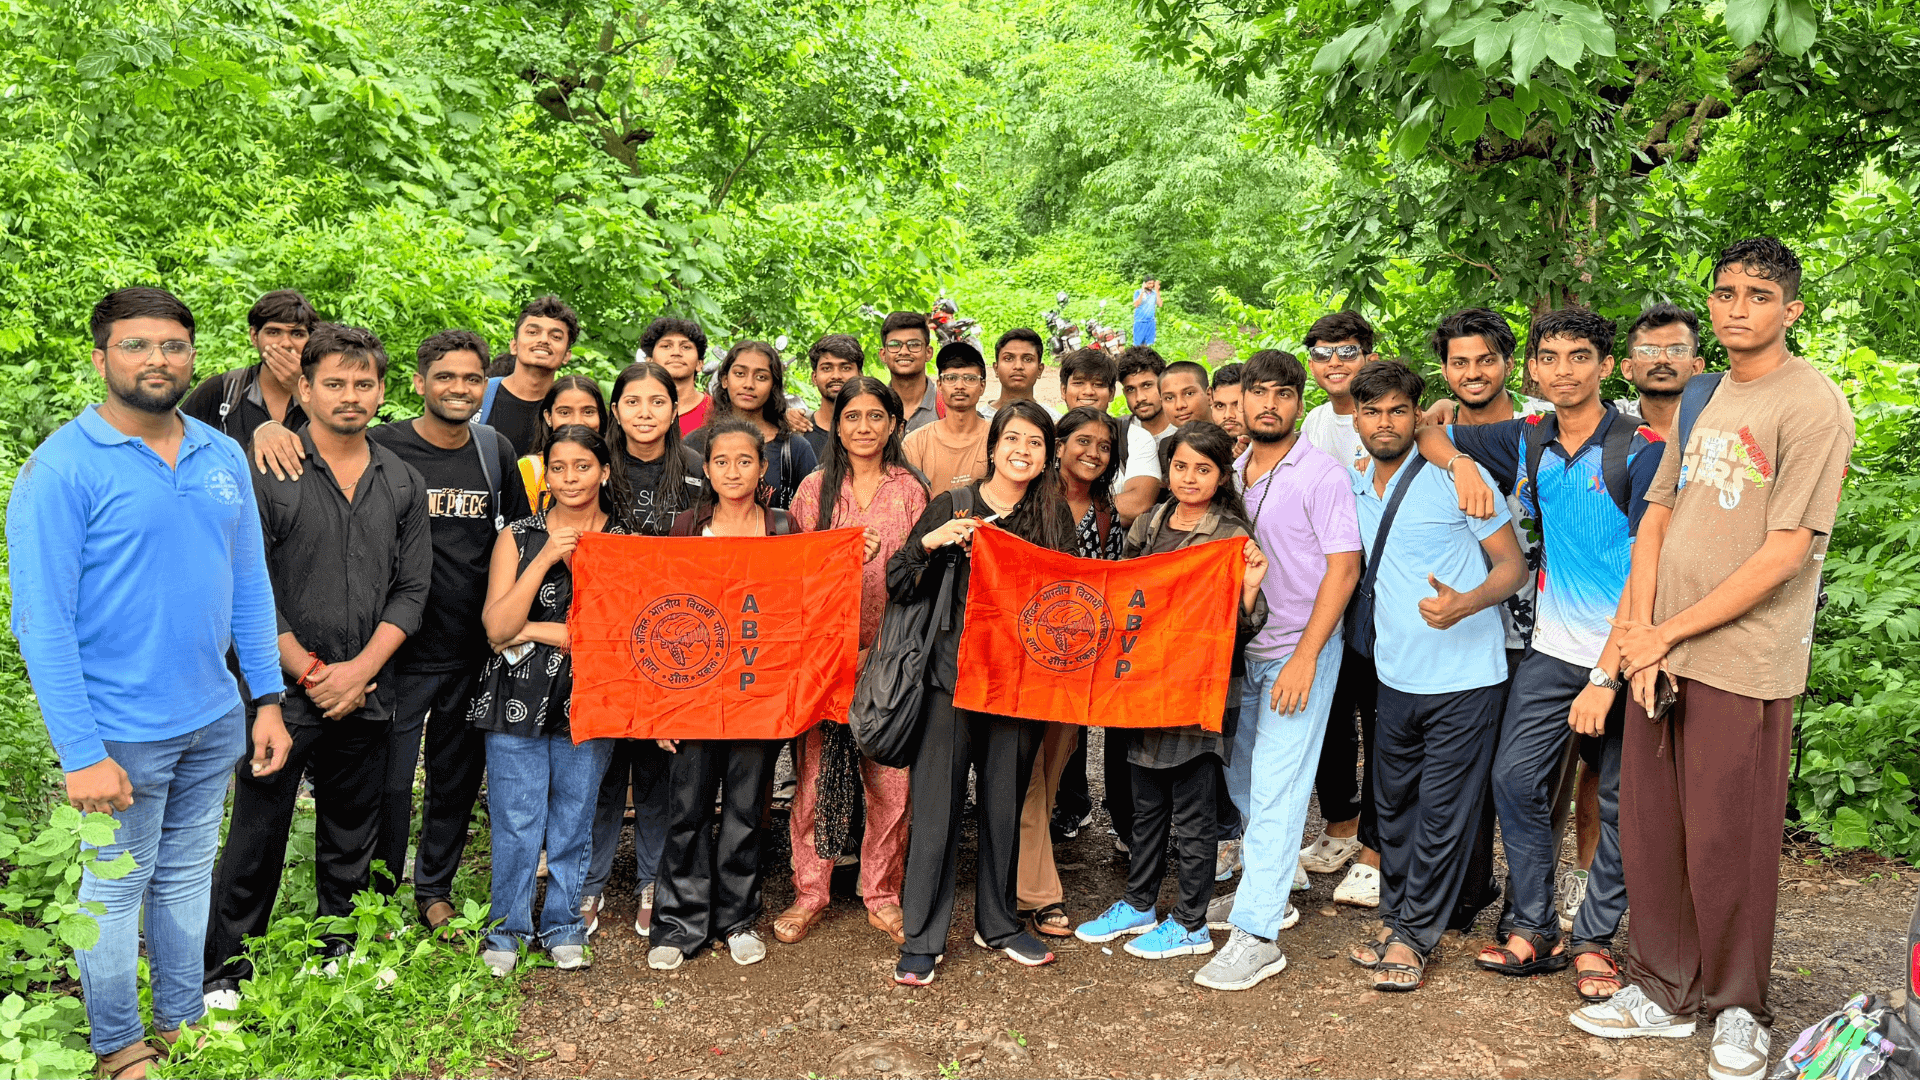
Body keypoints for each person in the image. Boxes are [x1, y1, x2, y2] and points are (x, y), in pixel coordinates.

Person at [1571, 238, 1855, 1080]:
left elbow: (1786, 552)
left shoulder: (1811, 406)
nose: (1738, 307)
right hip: (1667, 652)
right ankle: (1664, 990)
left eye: (1758, 295)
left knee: (1730, 838)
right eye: (1725, 292)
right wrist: (1642, 636)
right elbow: (1655, 519)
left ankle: (1738, 1005)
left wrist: (1669, 632)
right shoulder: (1703, 394)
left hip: (1744, 659)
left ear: (1791, 310)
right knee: (1658, 831)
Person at [8, 287, 289, 1079]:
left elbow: (249, 586)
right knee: (111, 894)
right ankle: (117, 1046)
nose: (157, 360)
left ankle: (180, 1020)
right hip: (119, 736)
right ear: (101, 359)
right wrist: (80, 752)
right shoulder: (61, 469)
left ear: (192, 356)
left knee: (184, 880)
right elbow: (43, 623)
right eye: (136, 346)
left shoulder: (219, 452)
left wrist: (264, 698)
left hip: (213, 718)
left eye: (171, 345)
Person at [1411, 308, 1662, 1002]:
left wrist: (1606, 676)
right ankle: (1535, 924)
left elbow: (1651, 572)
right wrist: (1462, 459)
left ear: (1607, 366)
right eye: (1549, 359)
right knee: (1515, 781)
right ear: (1534, 372)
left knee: (1615, 801)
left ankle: (1596, 939)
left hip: (1625, 651)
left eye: (1580, 357)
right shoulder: (1528, 437)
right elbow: (1427, 431)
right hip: (1551, 648)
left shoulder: (1642, 450)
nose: (1564, 371)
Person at [203, 324, 431, 1005]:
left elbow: (413, 589)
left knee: (350, 831)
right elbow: (247, 586)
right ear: (304, 388)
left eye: (364, 384)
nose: (350, 396)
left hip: (367, 689)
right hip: (281, 691)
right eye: (334, 383)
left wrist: (360, 671)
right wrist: (309, 671)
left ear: (383, 391)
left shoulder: (403, 480)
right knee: (258, 832)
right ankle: (225, 972)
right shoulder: (268, 470)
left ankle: (340, 952)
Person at [1341, 361, 1526, 993]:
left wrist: (1464, 604)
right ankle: (1399, 917)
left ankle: (1415, 938)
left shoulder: (1459, 482)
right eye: (1372, 412)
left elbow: (1512, 566)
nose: (1384, 423)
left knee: (1444, 812)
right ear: (1356, 417)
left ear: (1416, 412)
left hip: (1466, 677)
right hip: (1394, 674)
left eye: (1397, 411)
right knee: (1392, 808)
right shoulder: (1359, 480)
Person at [885, 400, 1078, 985]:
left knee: (1004, 805)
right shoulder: (955, 505)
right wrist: (934, 542)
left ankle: (998, 923)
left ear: (1047, 456)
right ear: (993, 446)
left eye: (1036, 443)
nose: (1023, 450)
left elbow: (1066, 602)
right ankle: (922, 935)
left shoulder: (1051, 518)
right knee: (937, 809)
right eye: (1013, 439)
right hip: (949, 679)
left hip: (1018, 687)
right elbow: (897, 580)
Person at [1195, 349, 1359, 992]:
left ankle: (1258, 933)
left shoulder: (1321, 475)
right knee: (1241, 780)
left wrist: (1307, 657)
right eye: (1256, 393)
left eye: (1282, 394)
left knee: (1277, 787)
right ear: (1234, 401)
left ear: (1298, 402)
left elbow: (1343, 570)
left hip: (1300, 653)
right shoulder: (1228, 472)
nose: (1269, 404)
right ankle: (1268, 896)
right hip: (1239, 655)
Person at [1076, 423, 1270, 961]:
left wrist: (1250, 589)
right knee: (1145, 801)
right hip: (1145, 684)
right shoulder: (1152, 520)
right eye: (1180, 467)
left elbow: (1245, 627)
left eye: (1203, 469)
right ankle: (1139, 903)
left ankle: (1190, 922)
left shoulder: (1230, 536)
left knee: (1193, 809)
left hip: (1198, 691)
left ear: (1221, 475)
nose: (1190, 478)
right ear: (1167, 470)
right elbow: (1127, 590)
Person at [366, 330, 530, 930]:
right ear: (419, 382)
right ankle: (377, 898)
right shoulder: (382, 445)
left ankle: (433, 890)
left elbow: (515, 537)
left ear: (483, 384)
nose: (458, 388)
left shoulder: (494, 450)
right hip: (396, 650)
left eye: (470, 378)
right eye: (445, 377)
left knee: (453, 782)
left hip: (470, 650)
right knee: (386, 785)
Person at [472, 424, 627, 976]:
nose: (570, 478)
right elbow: (494, 627)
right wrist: (544, 557)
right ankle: (506, 931)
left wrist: (534, 627)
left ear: (604, 472)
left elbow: (619, 634)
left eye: (582, 467)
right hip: (514, 695)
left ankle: (563, 924)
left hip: (591, 694)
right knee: (516, 819)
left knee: (574, 815)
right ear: (545, 475)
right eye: (558, 468)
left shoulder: (624, 538)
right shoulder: (518, 535)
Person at [779, 378, 930, 946]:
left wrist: (890, 647)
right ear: (835, 425)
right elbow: (792, 575)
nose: (863, 427)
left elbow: (922, 574)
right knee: (815, 777)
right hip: (824, 655)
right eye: (852, 417)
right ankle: (809, 892)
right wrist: (839, 555)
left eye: (875, 416)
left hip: (891, 655)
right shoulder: (814, 490)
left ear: (894, 424)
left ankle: (882, 893)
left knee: (890, 780)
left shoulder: (912, 491)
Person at [649, 420, 798, 971]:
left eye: (744, 460)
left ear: (763, 468)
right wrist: (664, 705)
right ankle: (679, 923)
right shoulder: (686, 528)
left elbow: (798, 613)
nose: (733, 471)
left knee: (744, 810)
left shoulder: (783, 527)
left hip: (758, 692)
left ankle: (736, 918)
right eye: (721, 461)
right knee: (686, 809)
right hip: (693, 690)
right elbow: (663, 618)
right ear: (705, 469)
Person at [577, 362, 705, 940]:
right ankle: (588, 882)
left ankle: (653, 879)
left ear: (674, 410)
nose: (646, 413)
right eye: (633, 402)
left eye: (658, 402)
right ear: (616, 410)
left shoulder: (698, 472)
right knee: (603, 769)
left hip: (675, 639)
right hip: (606, 635)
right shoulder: (598, 469)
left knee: (661, 768)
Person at [1041, 407, 1125, 852]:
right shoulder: (1030, 497)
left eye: (1105, 447)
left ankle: (1057, 810)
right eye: (1084, 442)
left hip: (1076, 645)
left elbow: (1111, 582)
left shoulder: (1106, 514)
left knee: (1066, 738)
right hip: (1027, 642)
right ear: (1060, 447)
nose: (1093, 453)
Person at [179, 289, 316, 451]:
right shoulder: (223, 390)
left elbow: (344, 441)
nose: (286, 343)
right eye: (273, 332)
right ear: (254, 337)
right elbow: (173, 439)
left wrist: (298, 388)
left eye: (297, 334)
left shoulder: (327, 390)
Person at [686, 341, 819, 509]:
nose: (749, 384)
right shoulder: (695, 444)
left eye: (761, 377)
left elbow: (815, 516)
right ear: (725, 380)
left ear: (773, 386)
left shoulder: (795, 449)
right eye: (740, 374)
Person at [1059, 348, 1162, 524]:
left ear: (1112, 393)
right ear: (1063, 390)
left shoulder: (1134, 438)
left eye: (1098, 384)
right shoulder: (1045, 437)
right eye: (1079, 383)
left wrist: (1056, 510)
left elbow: (1137, 505)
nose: (1088, 391)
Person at [476, 296, 579, 458]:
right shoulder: (480, 394)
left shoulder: (571, 409)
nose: (543, 340)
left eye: (556, 337)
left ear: (567, 355)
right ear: (514, 345)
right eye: (532, 332)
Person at [902, 341, 991, 497]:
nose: (960, 386)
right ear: (940, 385)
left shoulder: (997, 438)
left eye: (970, 379)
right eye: (951, 378)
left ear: (982, 386)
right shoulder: (915, 443)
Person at [509, 374, 605, 514]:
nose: (577, 421)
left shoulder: (619, 467)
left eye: (588, 412)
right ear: (548, 417)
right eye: (565, 412)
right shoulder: (529, 470)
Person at [1298, 311, 1378, 470]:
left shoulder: (1390, 421)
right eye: (1322, 354)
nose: (1334, 363)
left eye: (1347, 352)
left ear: (1371, 362)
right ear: (1311, 367)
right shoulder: (1313, 421)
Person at [637, 317, 712, 435]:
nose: (676, 353)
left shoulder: (718, 410)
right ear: (649, 361)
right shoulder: (634, 411)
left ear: (699, 363)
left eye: (686, 347)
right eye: (666, 346)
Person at [803, 334, 865, 458]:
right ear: (814, 378)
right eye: (827, 368)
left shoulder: (873, 433)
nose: (836, 376)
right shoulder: (798, 431)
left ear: (860, 376)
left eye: (846, 368)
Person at [878, 311, 938, 433]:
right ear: (883, 354)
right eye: (895, 345)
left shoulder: (948, 406)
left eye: (914, 344)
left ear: (928, 353)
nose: (904, 351)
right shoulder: (873, 406)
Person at [984, 328, 1045, 417]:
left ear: (1040, 370)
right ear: (996, 368)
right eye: (1008, 358)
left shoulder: (1054, 423)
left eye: (1027, 359)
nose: (1018, 366)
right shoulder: (979, 420)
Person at [1117, 346, 1172, 444]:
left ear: (1164, 384)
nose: (1140, 398)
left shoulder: (1187, 431)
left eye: (1147, 385)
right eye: (1130, 389)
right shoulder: (1118, 434)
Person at [1160, 360, 1211, 429]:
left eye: (1189, 394)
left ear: (1209, 395)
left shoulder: (1229, 434)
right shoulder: (1169, 440)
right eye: (1169, 398)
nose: (1179, 405)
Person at [1132, 278, 1161, 346]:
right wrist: (1142, 291)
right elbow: (1136, 304)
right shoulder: (1138, 292)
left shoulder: (1154, 293)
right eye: (1149, 283)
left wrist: (1157, 291)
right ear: (1144, 283)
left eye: (1153, 283)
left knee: (1148, 345)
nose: (1151, 285)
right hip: (1140, 321)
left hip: (1151, 322)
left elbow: (1160, 304)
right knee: (1137, 345)